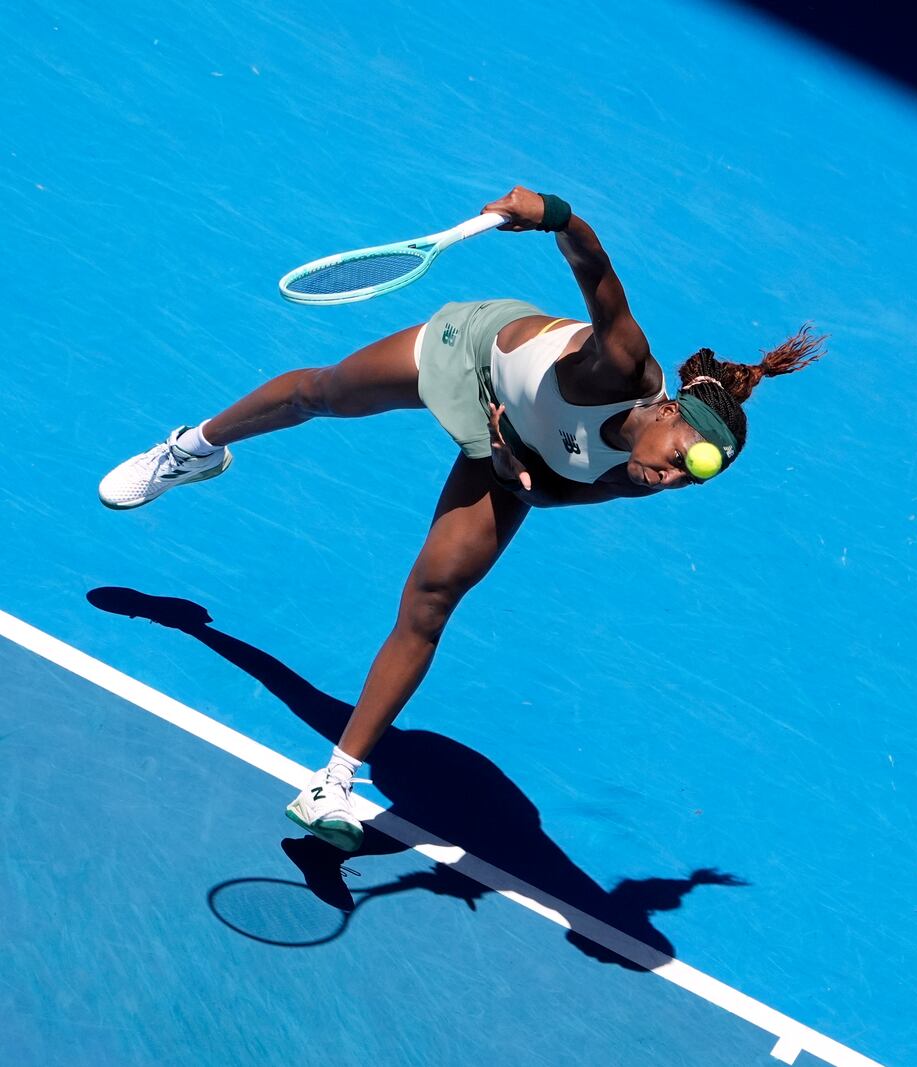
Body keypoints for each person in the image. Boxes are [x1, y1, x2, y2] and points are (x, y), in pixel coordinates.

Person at [98, 186, 825, 851]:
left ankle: (335, 782)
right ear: (670, 411)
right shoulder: (626, 367)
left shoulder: (636, 479)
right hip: (473, 356)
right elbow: (598, 273)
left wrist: (511, 465)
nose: (669, 475)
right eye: (679, 454)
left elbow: (554, 494)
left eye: (684, 479)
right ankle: (191, 449)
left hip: (513, 449)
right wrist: (555, 215)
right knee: (320, 393)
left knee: (432, 600)